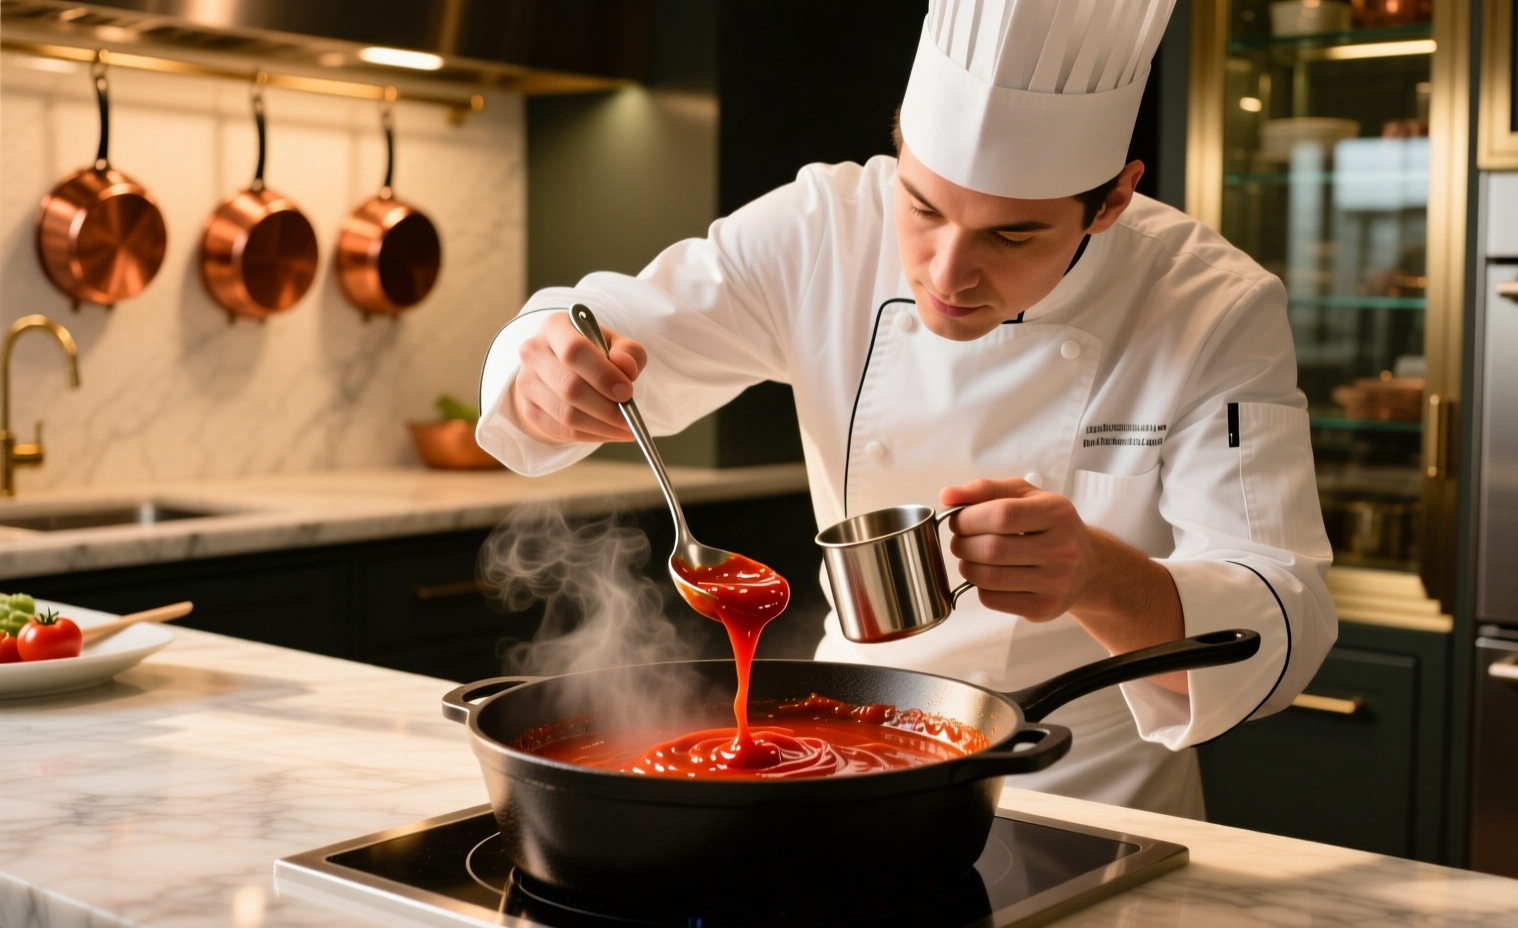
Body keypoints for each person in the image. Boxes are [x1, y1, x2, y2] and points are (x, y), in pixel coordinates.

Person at [477, 0, 1336, 819]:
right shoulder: (823, 227)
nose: (947, 272)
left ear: (1109, 202)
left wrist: (1099, 577)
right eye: (923, 207)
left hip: (1087, 787)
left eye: (1013, 235)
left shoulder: (1212, 304)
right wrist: (549, 374)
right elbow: (595, 318)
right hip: (842, 760)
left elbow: (1281, 613)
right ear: (898, 146)